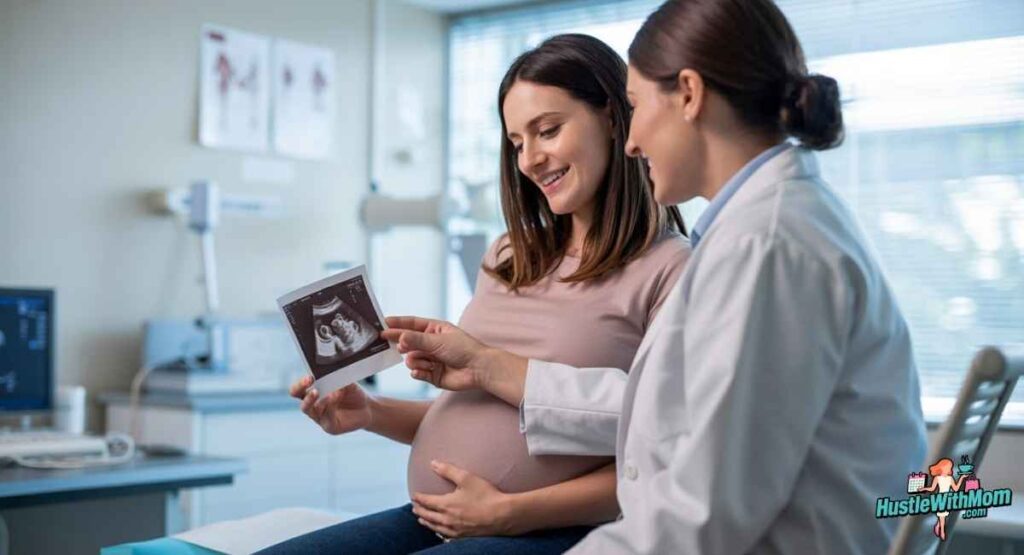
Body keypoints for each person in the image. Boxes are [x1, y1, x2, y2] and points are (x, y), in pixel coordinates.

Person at [383, 1, 928, 553]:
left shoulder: (763, 246)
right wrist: (478, 371)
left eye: (636, 106)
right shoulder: (763, 227)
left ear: (689, 95)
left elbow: (703, 511)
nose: (633, 140)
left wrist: (517, 512)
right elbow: (659, 419)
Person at [259, 34, 689, 555]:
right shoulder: (510, 255)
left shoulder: (671, 269)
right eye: (516, 143)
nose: (530, 159)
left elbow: (665, 450)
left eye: (547, 130)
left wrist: (510, 513)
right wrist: (370, 412)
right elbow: (474, 417)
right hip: (434, 520)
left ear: (615, 118)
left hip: (553, 533)